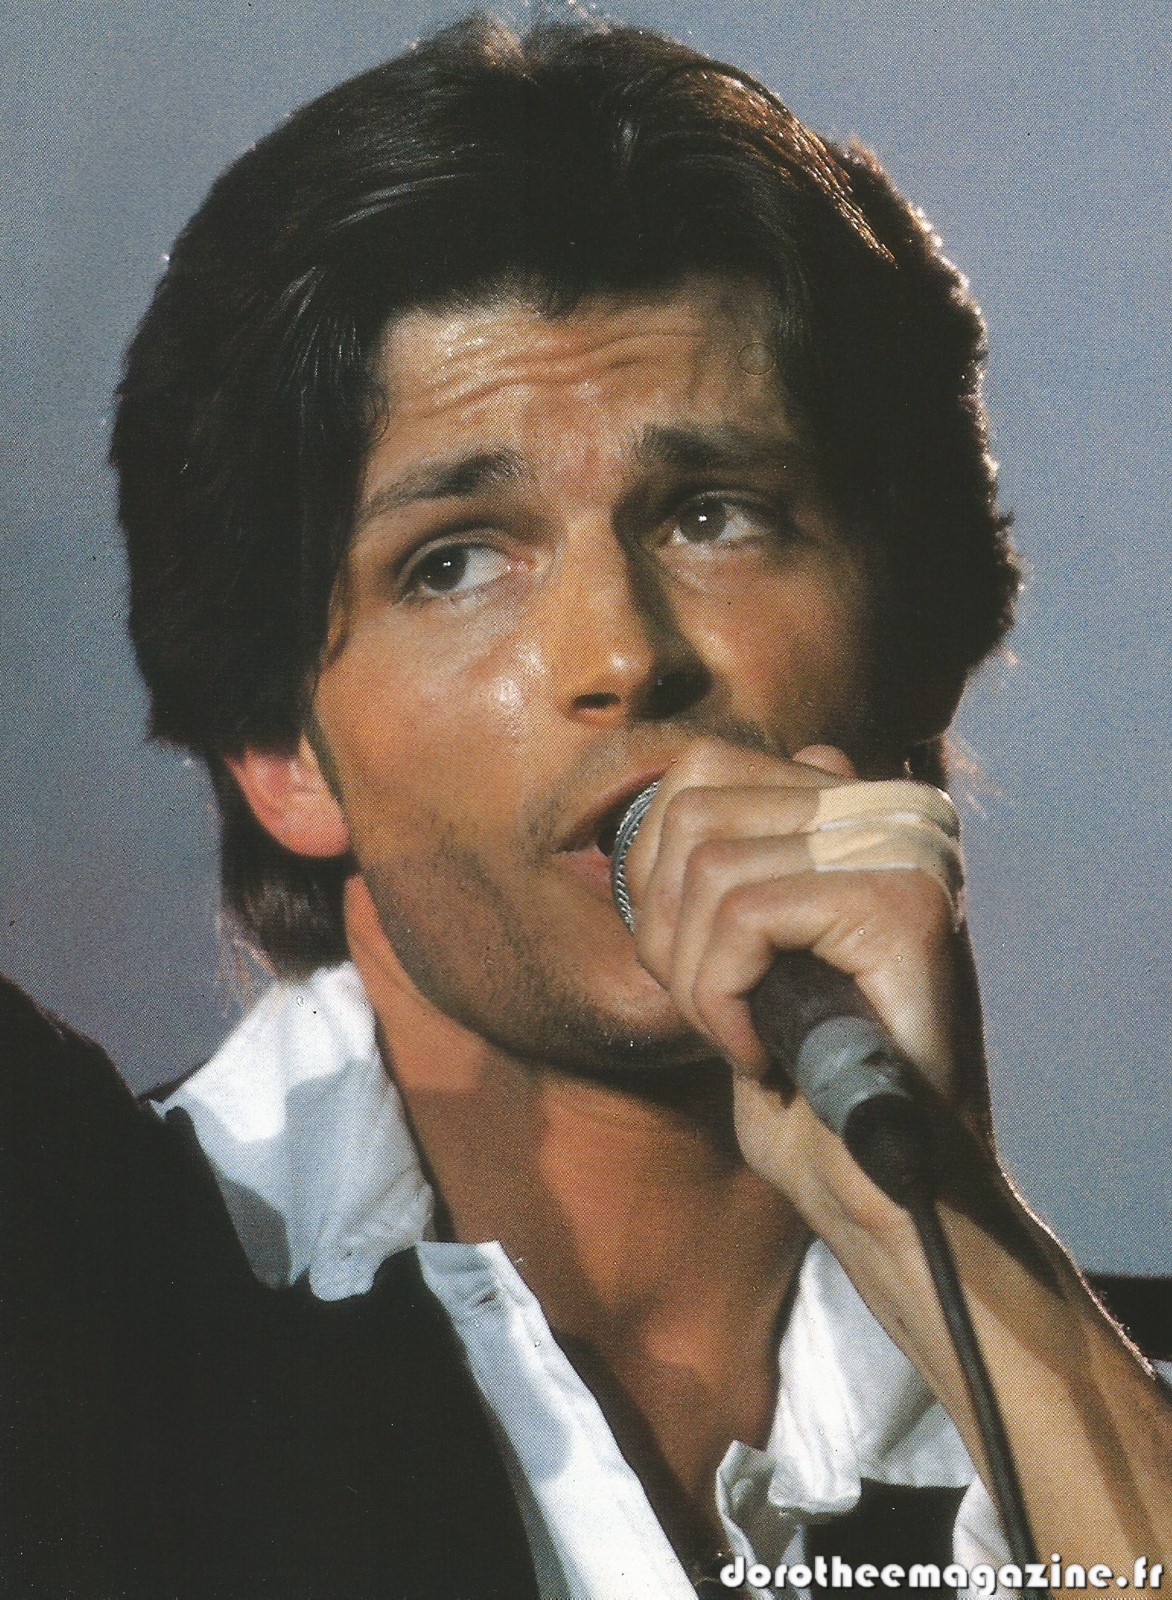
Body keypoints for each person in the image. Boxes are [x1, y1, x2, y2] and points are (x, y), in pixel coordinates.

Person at [9, 12, 1169, 1598]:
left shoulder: (1120, 1404)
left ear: (915, 641)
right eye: (455, 561)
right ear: (282, 754)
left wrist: (954, 1238)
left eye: (715, 515)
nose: (624, 655)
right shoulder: (62, 1294)